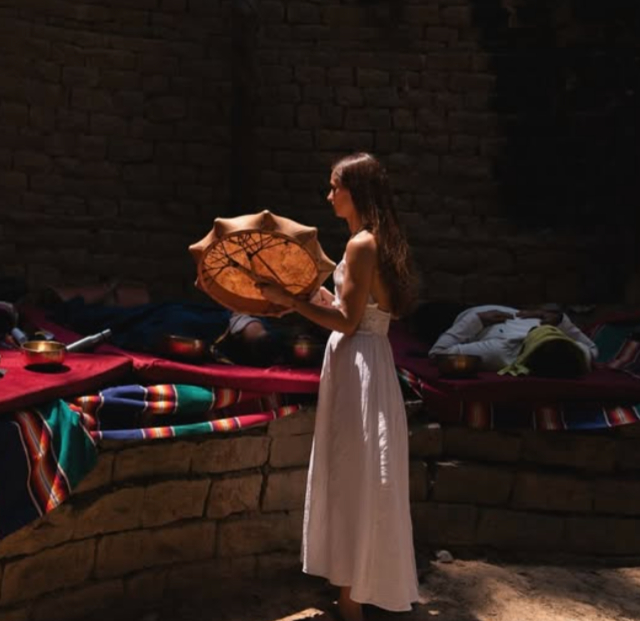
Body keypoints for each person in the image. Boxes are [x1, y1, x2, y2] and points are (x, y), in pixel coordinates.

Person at [256, 152, 420, 621]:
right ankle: (354, 588)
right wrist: (307, 299)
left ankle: (352, 601)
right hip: (366, 361)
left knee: (355, 474)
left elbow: (349, 322)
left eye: (335, 187)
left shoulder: (361, 245)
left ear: (356, 190)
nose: (329, 195)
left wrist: (290, 299)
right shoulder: (372, 239)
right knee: (362, 472)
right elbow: (358, 307)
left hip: (359, 365)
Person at [429, 303, 597, 372]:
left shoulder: (501, 351)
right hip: (506, 309)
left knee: (431, 312)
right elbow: (592, 349)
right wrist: (561, 321)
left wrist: (476, 320)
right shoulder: (578, 353)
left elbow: (438, 353)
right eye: (553, 333)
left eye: (543, 335)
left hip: (465, 317)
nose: (543, 329)